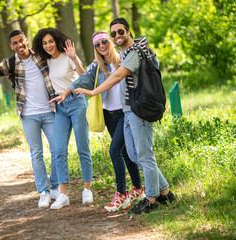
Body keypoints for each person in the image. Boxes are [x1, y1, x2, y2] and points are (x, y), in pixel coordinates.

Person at [74, 18, 175, 214]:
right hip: (129, 111)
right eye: (114, 34)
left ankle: (151, 199)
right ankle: (166, 192)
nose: (117, 36)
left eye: (120, 32)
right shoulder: (126, 52)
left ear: (128, 31)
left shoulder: (135, 52)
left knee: (144, 155)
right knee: (135, 155)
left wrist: (94, 93)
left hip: (139, 110)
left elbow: (118, 76)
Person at [51, 30, 145, 212]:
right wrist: (66, 92)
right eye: (97, 44)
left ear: (110, 42)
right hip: (109, 114)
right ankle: (137, 188)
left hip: (125, 112)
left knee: (115, 151)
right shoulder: (97, 66)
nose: (101, 46)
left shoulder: (123, 60)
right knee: (125, 153)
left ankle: (121, 194)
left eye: (104, 42)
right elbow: (83, 79)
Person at [0, 30, 60, 208]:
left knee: (57, 151)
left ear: (26, 40)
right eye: (15, 43)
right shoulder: (11, 63)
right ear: (11, 46)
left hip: (50, 111)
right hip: (29, 115)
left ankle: (55, 187)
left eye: (21, 41)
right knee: (36, 154)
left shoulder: (41, 55)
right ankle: (44, 192)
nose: (19, 45)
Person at [32, 27, 93, 209]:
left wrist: (74, 57)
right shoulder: (47, 62)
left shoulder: (68, 56)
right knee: (58, 151)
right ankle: (63, 194)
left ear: (57, 41)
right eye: (44, 43)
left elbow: (85, 76)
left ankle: (87, 190)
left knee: (83, 147)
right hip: (59, 107)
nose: (48, 45)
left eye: (50, 41)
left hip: (77, 102)